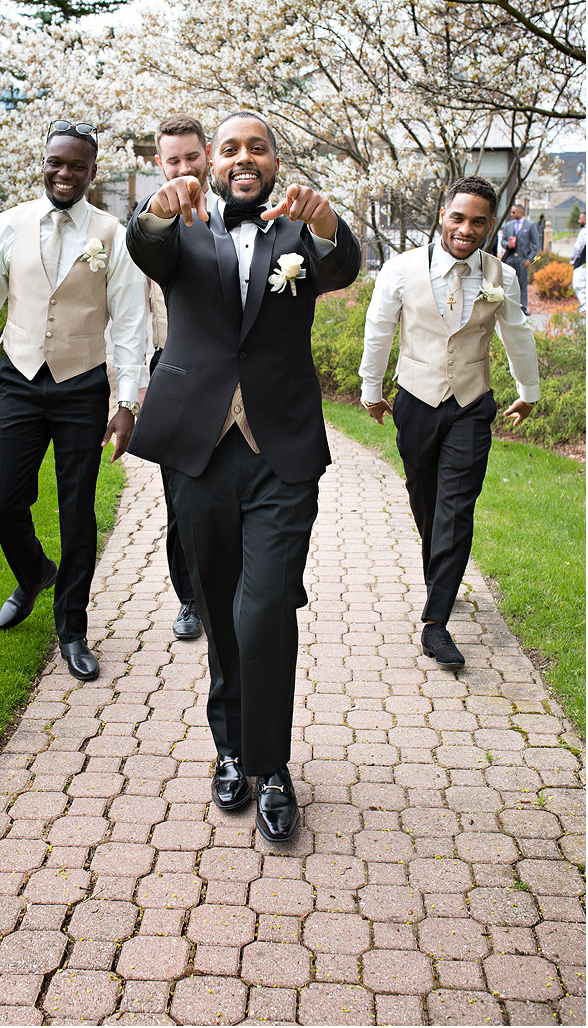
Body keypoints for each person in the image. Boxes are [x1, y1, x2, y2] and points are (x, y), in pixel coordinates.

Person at [127, 111, 360, 843]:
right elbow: (145, 246)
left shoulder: (299, 234)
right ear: (213, 163)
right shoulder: (183, 229)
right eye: (230, 149)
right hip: (198, 449)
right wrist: (156, 210)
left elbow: (342, 264)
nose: (242, 157)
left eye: (256, 147)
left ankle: (273, 765)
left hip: (281, 454)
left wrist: (328, 224)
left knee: (262, 609)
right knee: (219, 603)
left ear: (273, 159)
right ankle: (229, 748)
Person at [0, 121, 147, 682]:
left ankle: (71, 628)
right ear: (43, 163)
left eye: (77, 165)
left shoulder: (113, 234)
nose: (65, 173)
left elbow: (129, 321)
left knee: (77, 512)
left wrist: (126, 402)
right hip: (21, 379)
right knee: (2, 503)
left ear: (92, 172)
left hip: (82, 384)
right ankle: (33, 574)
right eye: (57, 162)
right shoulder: (9, 225)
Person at [359, 176, 539, 669]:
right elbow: (379, 331)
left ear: (490, 224)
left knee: (457, 506)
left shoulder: (500, 276)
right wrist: (370, 391)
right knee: (425, 497)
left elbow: (517, 335)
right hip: (415, 399)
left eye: (478, 221)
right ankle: (439, 572)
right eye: (458, 217)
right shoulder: (400, 269)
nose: (466, 228)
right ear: (443, 215)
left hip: (472, 402)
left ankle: (435, 623)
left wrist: (529, 393)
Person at [138, 114, 212, 641]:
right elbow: (130, 311)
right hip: (172, 370)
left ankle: (228, 591)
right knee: (181, 499)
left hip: (233, 377)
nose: (184, 168)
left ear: (208, 155)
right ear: (158, 164)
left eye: (192, 157)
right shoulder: (149, 223)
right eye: (173, 159)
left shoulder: (236, 213)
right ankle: (189, 599)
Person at [501, 202, 539, 314]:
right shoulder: (508, 225)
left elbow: (536, 245)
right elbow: (503, 241)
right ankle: (506, 306)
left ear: (521, 212)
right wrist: (507, 244)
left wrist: (530, 259)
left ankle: (523, 308)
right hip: (509, 259)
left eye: (513, 212)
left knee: (523, 284)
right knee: (506, 283)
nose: (511, 214)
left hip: (523, 260)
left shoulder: (530, 225)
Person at [571, 209, 586, 315]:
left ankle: (585, 306)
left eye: (581, 218)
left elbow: (578, 248)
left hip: (582, 263)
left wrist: (573, 258)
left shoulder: (584, 231)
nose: (579, 221)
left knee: (578, 284)